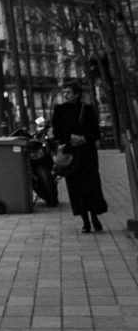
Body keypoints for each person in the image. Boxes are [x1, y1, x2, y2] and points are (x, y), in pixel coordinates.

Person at [52, 81, 107, 233]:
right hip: (71, 154)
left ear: (76, 94)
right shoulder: (59, 110)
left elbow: (96, 132)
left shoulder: (87, 110)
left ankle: (95, 216)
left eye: (68, 92)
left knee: (91, 185)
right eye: (63, 93)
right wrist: (70, 137)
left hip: (87, 153)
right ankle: (85, 221)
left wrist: (83, 138)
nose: (65, 95)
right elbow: (56, 132)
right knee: (76, 187)